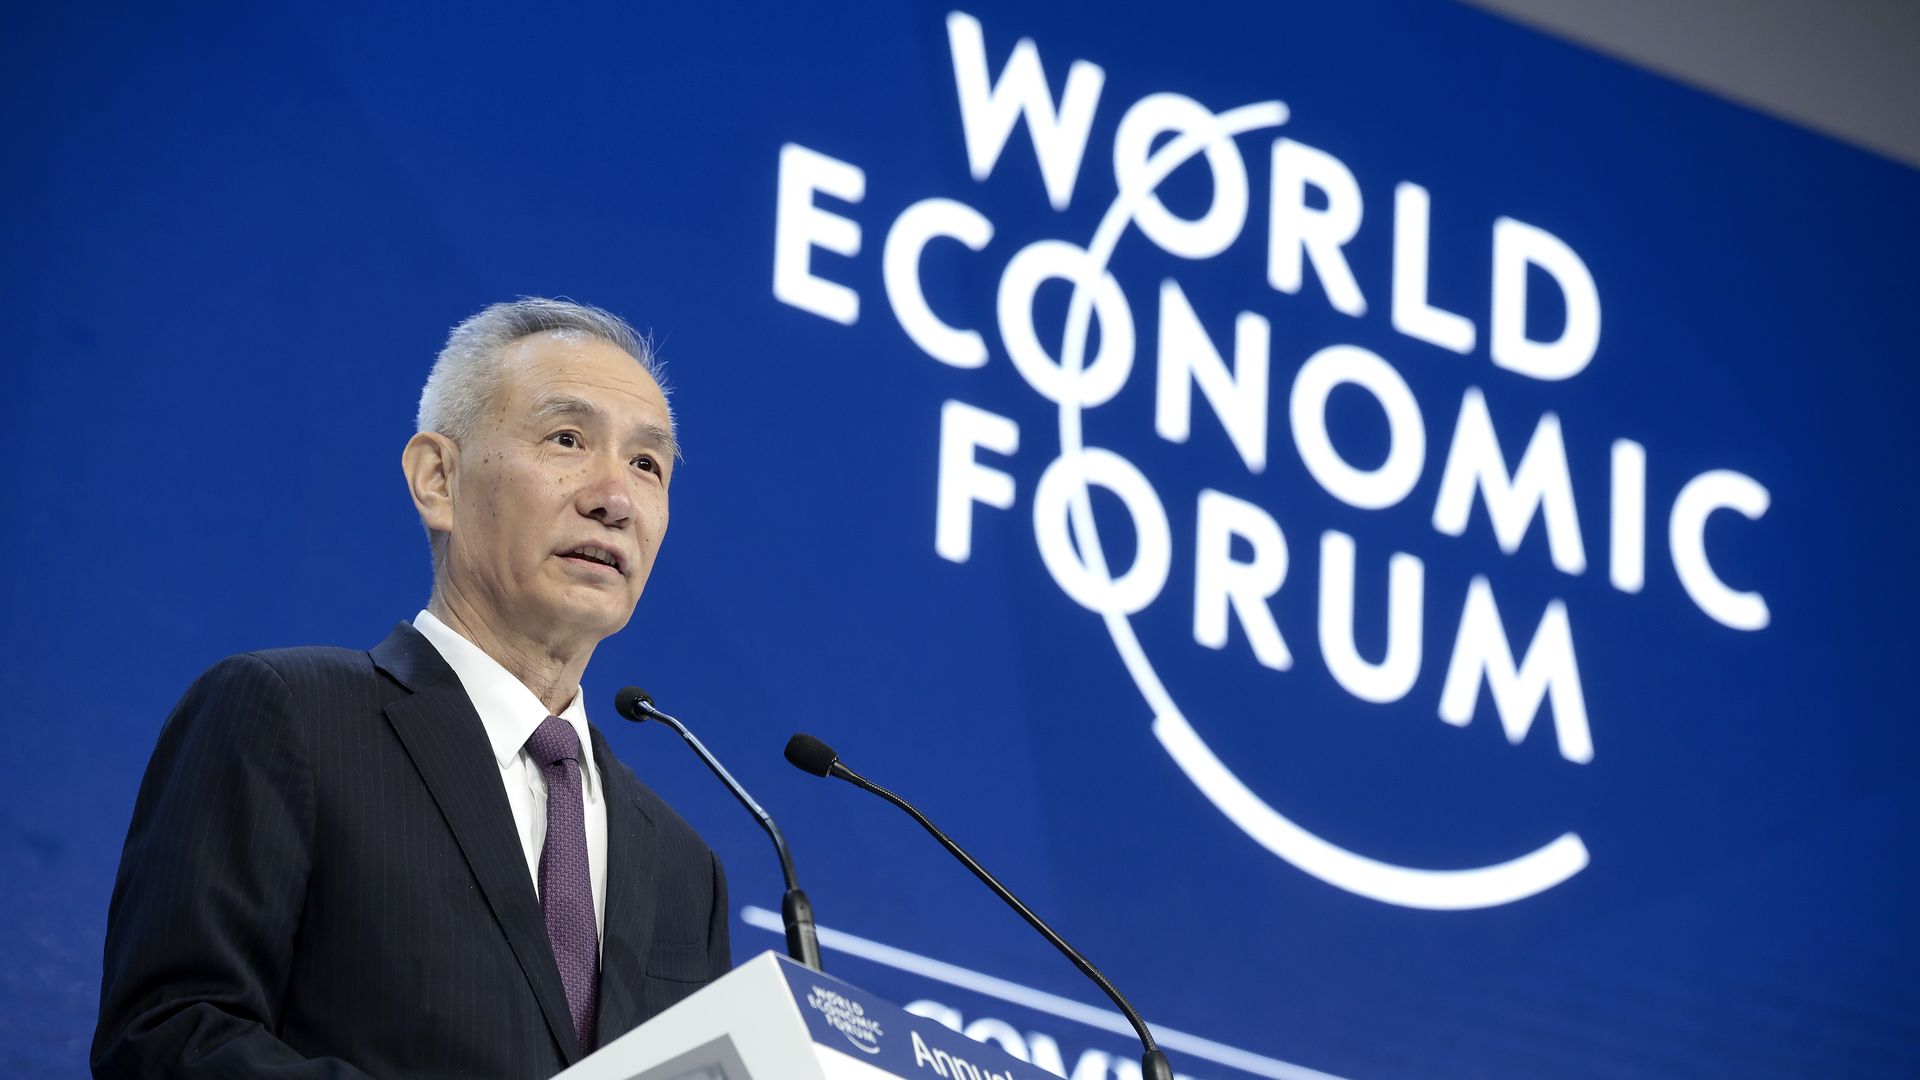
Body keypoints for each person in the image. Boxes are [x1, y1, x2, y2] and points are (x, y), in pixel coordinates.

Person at [93, 299, 730, 1079]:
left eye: (647, 465)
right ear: (438, 479)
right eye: (567, 439)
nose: (616, 499)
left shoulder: (686, 870)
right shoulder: (287, 718)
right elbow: (170, 1039)